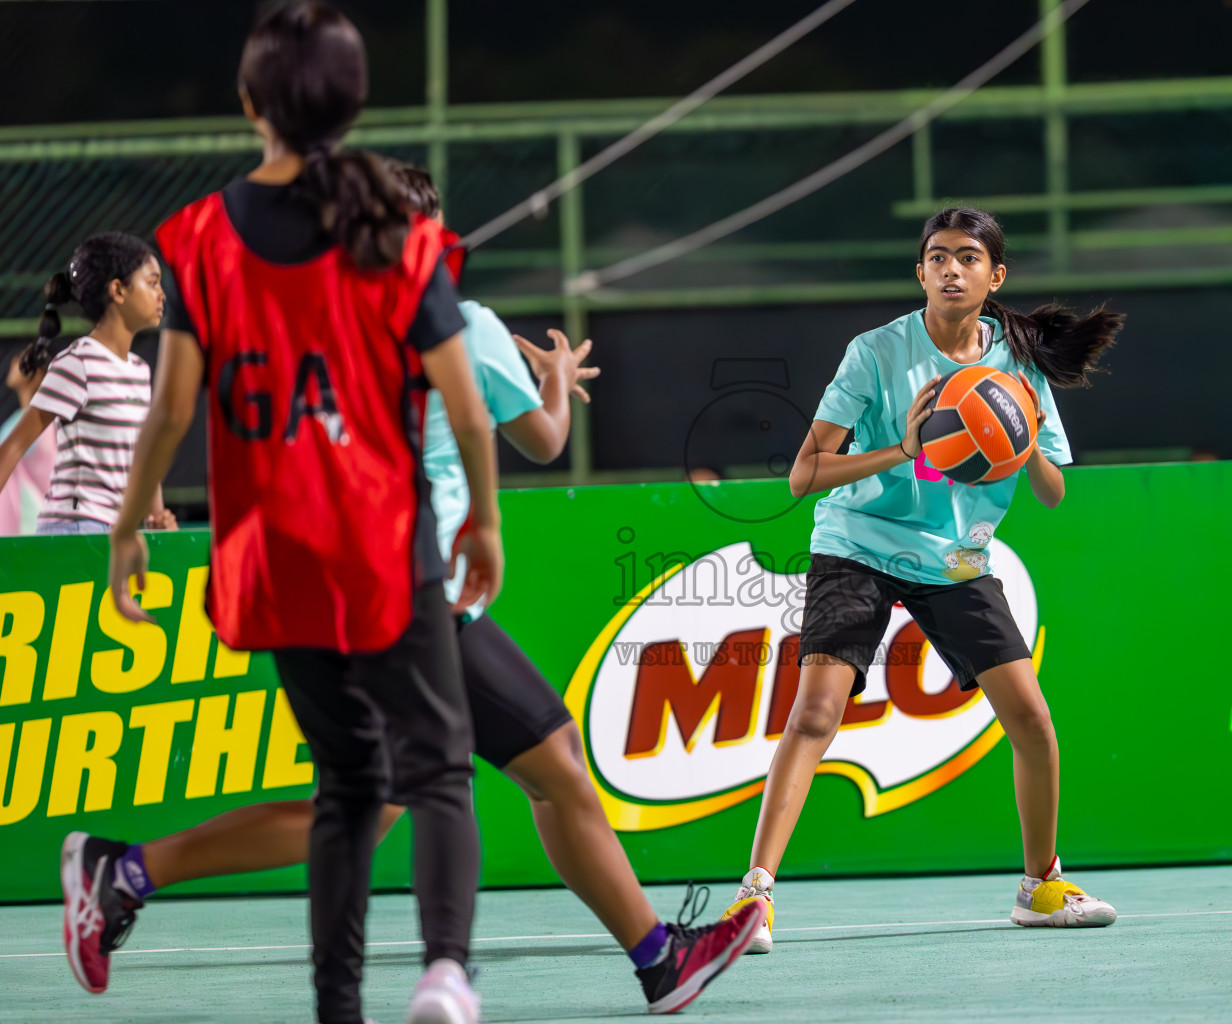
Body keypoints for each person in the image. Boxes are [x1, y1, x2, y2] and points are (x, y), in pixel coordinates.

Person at [70, 161, 763, 1018]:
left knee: (539, 769)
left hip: (333, 588)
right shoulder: (461, 323)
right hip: (414, 589)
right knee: (391, 804)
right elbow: (543, 442)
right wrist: (550, 386)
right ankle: (130, 871)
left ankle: (659, 960)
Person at [66, 7, 497, 1023]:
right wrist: (483, 517)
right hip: (384, 544)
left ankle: (335, 1005)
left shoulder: (197, 237)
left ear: (250, 103)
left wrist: (130, 524)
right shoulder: (401, 232)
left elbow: (172, 408)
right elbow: (467, 408)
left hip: (273, 557)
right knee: (435, 770)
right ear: (354, 103)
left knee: (349, 782)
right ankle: (443, 969)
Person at [721, 207, 1123, 953]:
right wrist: (902, 449)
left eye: (967, 257)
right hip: (858, 544)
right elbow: (806, 473)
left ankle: (1042, 886)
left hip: (955, 560)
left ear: (994, 275)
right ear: (920, 272)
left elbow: (1052, 490)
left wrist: (1020, 436)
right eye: (936, 257)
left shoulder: (1015, 362)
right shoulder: (876, 353)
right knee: (816, 713)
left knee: (1032, 720)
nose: (950, 269)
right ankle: (753, 899)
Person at [0, 234, 176, 534]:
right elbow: (12, 448)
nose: (161, 294)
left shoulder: (140, 371)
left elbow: (144, 454)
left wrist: (157, 516)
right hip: (74, 530)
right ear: (118, 291)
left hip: (115, 532)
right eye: (152, 282)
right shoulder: (77, 364)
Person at [0, 345, 59, 534]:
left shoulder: (42, 422)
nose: (13, 362)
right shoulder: (19, 419)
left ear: (39, 373)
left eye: (21, 358)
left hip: (27, 526)